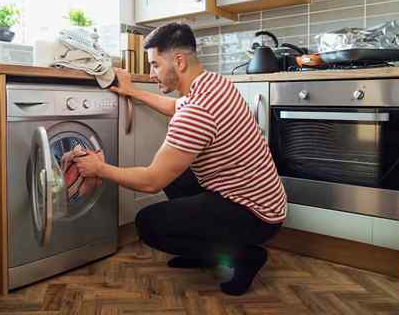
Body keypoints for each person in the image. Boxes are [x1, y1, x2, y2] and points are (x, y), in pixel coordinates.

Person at [74, 22, 286, 295]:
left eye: (155, 65)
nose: (152, 74)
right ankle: (205, 251)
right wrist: (133, 92)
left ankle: (244, 257)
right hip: (265, 199)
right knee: (176, 177)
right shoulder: (214, 83)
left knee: (149, 224)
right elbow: (176, 106)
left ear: (179, 61)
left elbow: (151, 181)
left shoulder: (197, 111)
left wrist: (99, 168)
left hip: (256, 215)